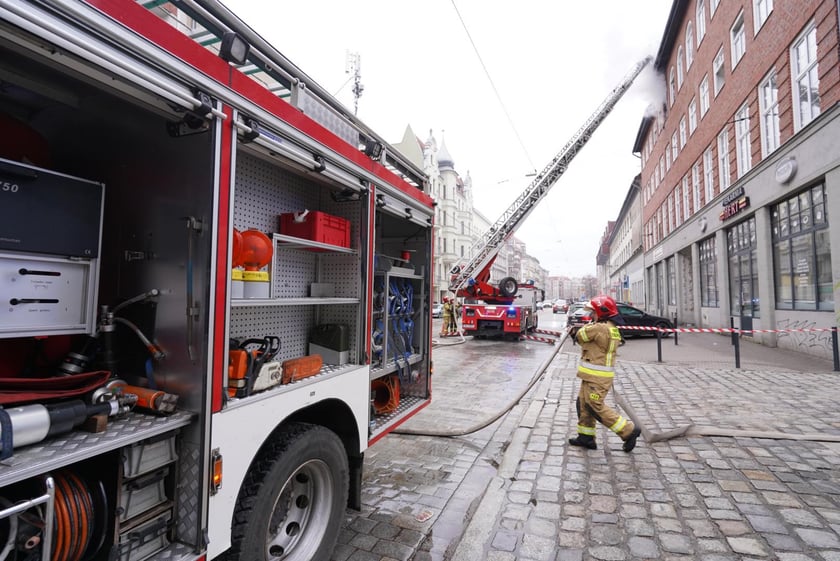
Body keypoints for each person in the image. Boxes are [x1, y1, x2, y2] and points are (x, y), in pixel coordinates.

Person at [568, 294, 641, 452]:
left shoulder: (600, 328)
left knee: (594, 405)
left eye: (593, 312)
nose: (591, 315)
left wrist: (576, 329)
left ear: (601, 312)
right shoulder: (610, 327)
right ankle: (586, 437)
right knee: (583, 404)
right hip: (592, 375)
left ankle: (628, 431)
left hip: (597, 377)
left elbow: (580, 336)